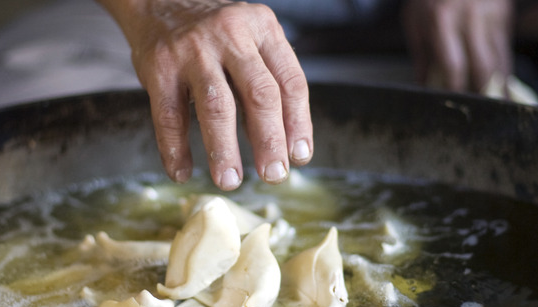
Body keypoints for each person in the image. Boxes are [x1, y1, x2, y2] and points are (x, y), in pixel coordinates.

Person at [96, 0, 516, 191]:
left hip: (408, 25)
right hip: (135, 18)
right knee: (79, 110)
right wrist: (154, 8)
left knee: (502, 130)